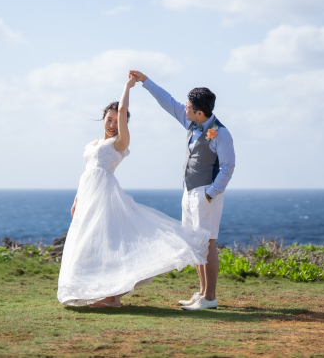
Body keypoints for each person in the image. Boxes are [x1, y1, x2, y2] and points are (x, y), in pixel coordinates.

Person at [57, 74, 211, 308]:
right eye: (108, 119)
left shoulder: (120, 142)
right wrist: (77, 198)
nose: (111, 124)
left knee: (108, 241)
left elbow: (122, 113)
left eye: (116, 121)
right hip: (88, 196)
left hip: (105, 196)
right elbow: (87, 172)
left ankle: (112, 298)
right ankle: (108, 296)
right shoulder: (93, 144)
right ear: (102, 119)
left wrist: (128, 87)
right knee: (89, 242)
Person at [129, 70, 235, 311]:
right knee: (195, 244)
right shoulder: (191, 121)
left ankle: (210, 298)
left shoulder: (220, 132)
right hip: (189, 192)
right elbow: (167, 101)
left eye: (188, 107)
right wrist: (145, 81)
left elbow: (228, 166)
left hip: (205, 194)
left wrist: (212, 192)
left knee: (207, 243)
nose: (184, 108)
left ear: (200, 112)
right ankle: (202, 293)